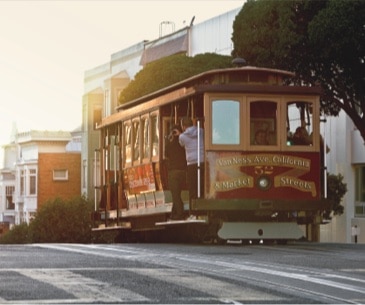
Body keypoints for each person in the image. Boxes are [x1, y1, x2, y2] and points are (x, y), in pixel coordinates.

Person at [178, 117, 204, 219]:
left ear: (183, 126)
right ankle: (203, 211)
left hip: (192, 164)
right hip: (202, 161)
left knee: (193, 189)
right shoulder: (201, 131)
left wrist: (179, 133)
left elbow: (181, 144)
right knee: (202, 187)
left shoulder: (182, 136)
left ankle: (193, 213)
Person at [165, 124, 187, 220]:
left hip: (174, 172)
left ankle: (179, 213)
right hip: (184, 171)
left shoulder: (170, 144)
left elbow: (166, 154)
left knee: (175, 194)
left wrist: (169, 140)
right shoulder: (184, 143)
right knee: (177, 194)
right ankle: (174, 212)